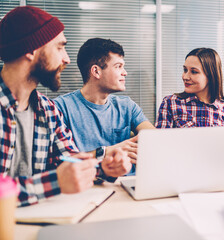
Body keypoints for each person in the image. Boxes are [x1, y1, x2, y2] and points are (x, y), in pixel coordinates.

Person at [0, 6, 132, 207]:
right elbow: (57, 179)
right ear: (31, 49)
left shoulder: (47, 110)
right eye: (60, 47)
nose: (67, 59)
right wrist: (55, 182)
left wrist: (103, 167)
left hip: (42, 218)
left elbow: (67, 161)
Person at [54, 38, 154, 174]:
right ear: (96, 71)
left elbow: (154, 138)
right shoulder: (60, 108)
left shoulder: (127, 106)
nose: (125, 72)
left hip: (126, 182)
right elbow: (64, 161)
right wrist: (106, 152)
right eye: (118, 66)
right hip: (84, 184)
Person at [155, 48, 224, 128]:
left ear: (211, 76)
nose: (185, 77)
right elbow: (161, 139)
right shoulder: (170, 103)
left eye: (194, 72)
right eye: (185, 70)